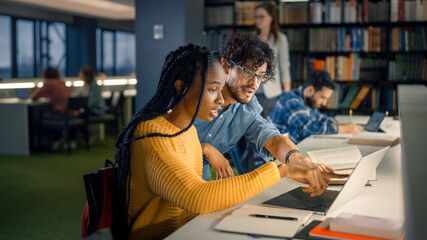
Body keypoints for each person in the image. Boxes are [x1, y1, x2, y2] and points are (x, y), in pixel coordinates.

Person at [114, 44, 344, 240]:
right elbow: (197, 196)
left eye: (261, 77)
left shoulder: (187, 131)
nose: (222, 99)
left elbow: (270, 136)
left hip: (193, 224)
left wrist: (297, 161)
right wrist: (280, 170)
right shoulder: (152, 134)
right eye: (214, 89)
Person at [194, 31, 329, 180]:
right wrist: (205, 149)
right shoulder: (196, 93)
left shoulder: (248, 107)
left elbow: (270, 137)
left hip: (201, 184)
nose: (254, 83)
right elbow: (166, 140)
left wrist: (296, 158)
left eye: (260, 76)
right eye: (248, 72)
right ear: (226, 65)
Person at [267, 70, 363, 144]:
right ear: (310, 90)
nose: (324, 103)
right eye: (323, 97)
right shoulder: (291, 100)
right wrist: (343, 129)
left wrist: (341, 125)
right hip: (269, 161)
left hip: (289, 153)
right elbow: (307, 128)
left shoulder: (308, 101)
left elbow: (321, 119)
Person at [254, 2, 292, 115]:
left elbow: (285, 66)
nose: (258, 20)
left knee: (272, 126)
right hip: (253, 90)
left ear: (271, 17)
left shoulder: (280, 39)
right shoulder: (252, 38)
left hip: (272, 92)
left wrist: (287, 95)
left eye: (261, 16)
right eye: (256, 17)